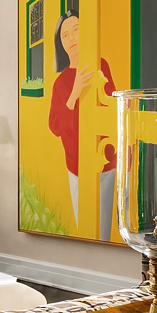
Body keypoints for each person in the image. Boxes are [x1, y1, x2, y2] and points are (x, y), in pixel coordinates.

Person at [47, 12, 116, 240]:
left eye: (76, 30)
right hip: (76, 165)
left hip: (106, 161)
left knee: (103, 230)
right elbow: (55, 126)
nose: (71, 38)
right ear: (61, 43)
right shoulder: (60, 83)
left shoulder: (100, 65)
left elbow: (112, 107)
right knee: (84, 229)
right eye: (65, 35)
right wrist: (74, 94)